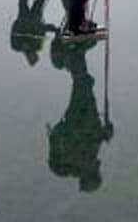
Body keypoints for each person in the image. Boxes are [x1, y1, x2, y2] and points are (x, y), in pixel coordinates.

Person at [48, 40, 113, 192]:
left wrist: (104, 133)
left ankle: (73, 54)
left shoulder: (83, 161)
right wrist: (104, 133)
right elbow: (91, 138)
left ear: (91, 176)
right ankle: (75, 53)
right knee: (83, 82)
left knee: (83, 82)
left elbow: (86, 138)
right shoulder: (81, 162)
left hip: (81, 115)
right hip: (84, 115)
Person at [9, 0, 56, 66]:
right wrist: (53, 28)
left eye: (32, 57)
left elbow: (13, 32)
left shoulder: (17, 46)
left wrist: (18, 23)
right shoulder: (38, 46)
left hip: (24, 18)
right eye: (34, 56)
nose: (33, 54)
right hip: (35, 18)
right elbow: (42, 31)